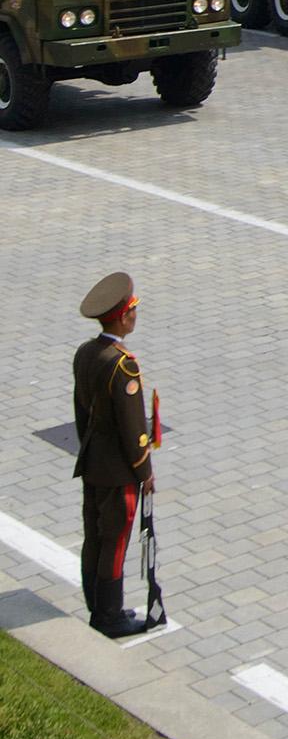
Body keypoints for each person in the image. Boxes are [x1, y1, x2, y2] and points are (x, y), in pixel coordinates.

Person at [72, 272, 158, 638]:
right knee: (116, 539)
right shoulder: (123, 365)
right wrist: (145, 473)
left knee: (94, 534)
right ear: (123, 317)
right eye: (134, 309)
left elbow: (80, 411)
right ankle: (109, 616)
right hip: (119, 470)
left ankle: (96, 602)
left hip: (92, 461)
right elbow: (134, 430)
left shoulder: (86, 353)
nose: (136, 314)